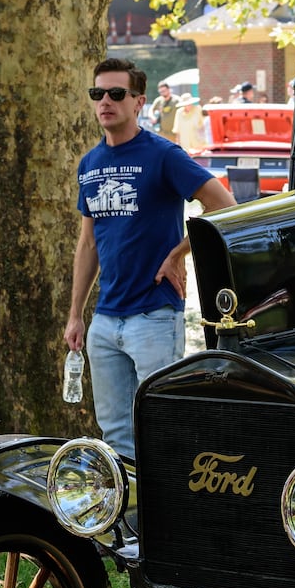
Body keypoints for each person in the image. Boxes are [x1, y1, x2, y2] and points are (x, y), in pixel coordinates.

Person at [65, 58, 236, 459]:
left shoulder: (163, 155)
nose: (105, 101)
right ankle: (130, 522)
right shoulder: (89, 164)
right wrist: (76, 313)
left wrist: (179, 253)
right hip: (104, 322)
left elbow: (224, 206)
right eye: (97, 94)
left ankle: (172, 518)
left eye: (116, 93)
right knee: (115, 438)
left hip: (154, 317)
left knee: (161, 429)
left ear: (139, 101)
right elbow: (88, 244)